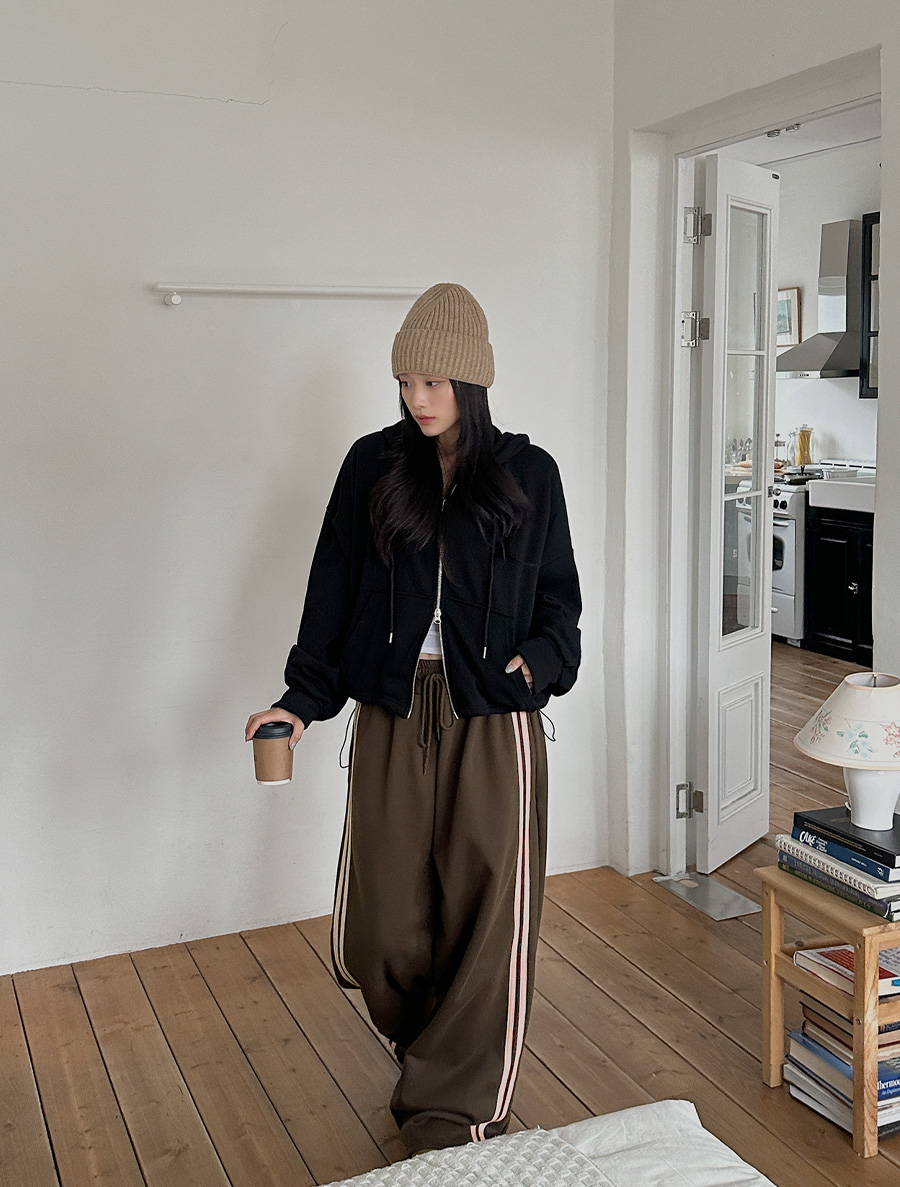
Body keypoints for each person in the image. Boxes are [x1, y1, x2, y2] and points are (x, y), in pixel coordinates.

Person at [245, 283, 581, 1156]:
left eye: (433, 382)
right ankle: (431, 1050)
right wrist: (301, 698)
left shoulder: (529, 474)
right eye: (405, 381)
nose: (416, 397)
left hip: (493, 720)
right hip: (393, 709)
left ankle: (452, 1109)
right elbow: (332, 588)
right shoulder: (372, 465)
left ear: (471, 381)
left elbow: (560, 601)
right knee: (382, 924)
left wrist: (539, 663)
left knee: (487, 914)